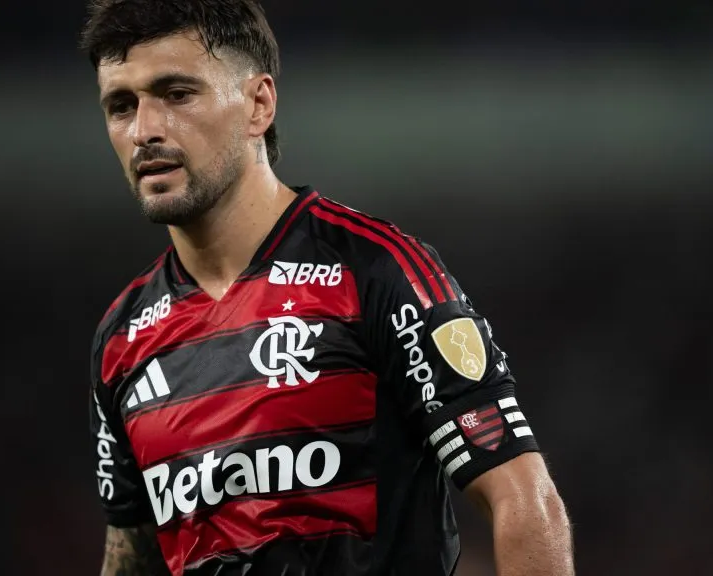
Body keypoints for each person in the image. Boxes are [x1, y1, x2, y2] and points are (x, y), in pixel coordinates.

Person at [81, 1, 574, 574]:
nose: (144, 130)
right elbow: (131, 558)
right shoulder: (122, 340)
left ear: (258, 104)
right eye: (121, 106)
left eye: (177, 94)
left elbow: (527, 503)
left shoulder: (376, 271)